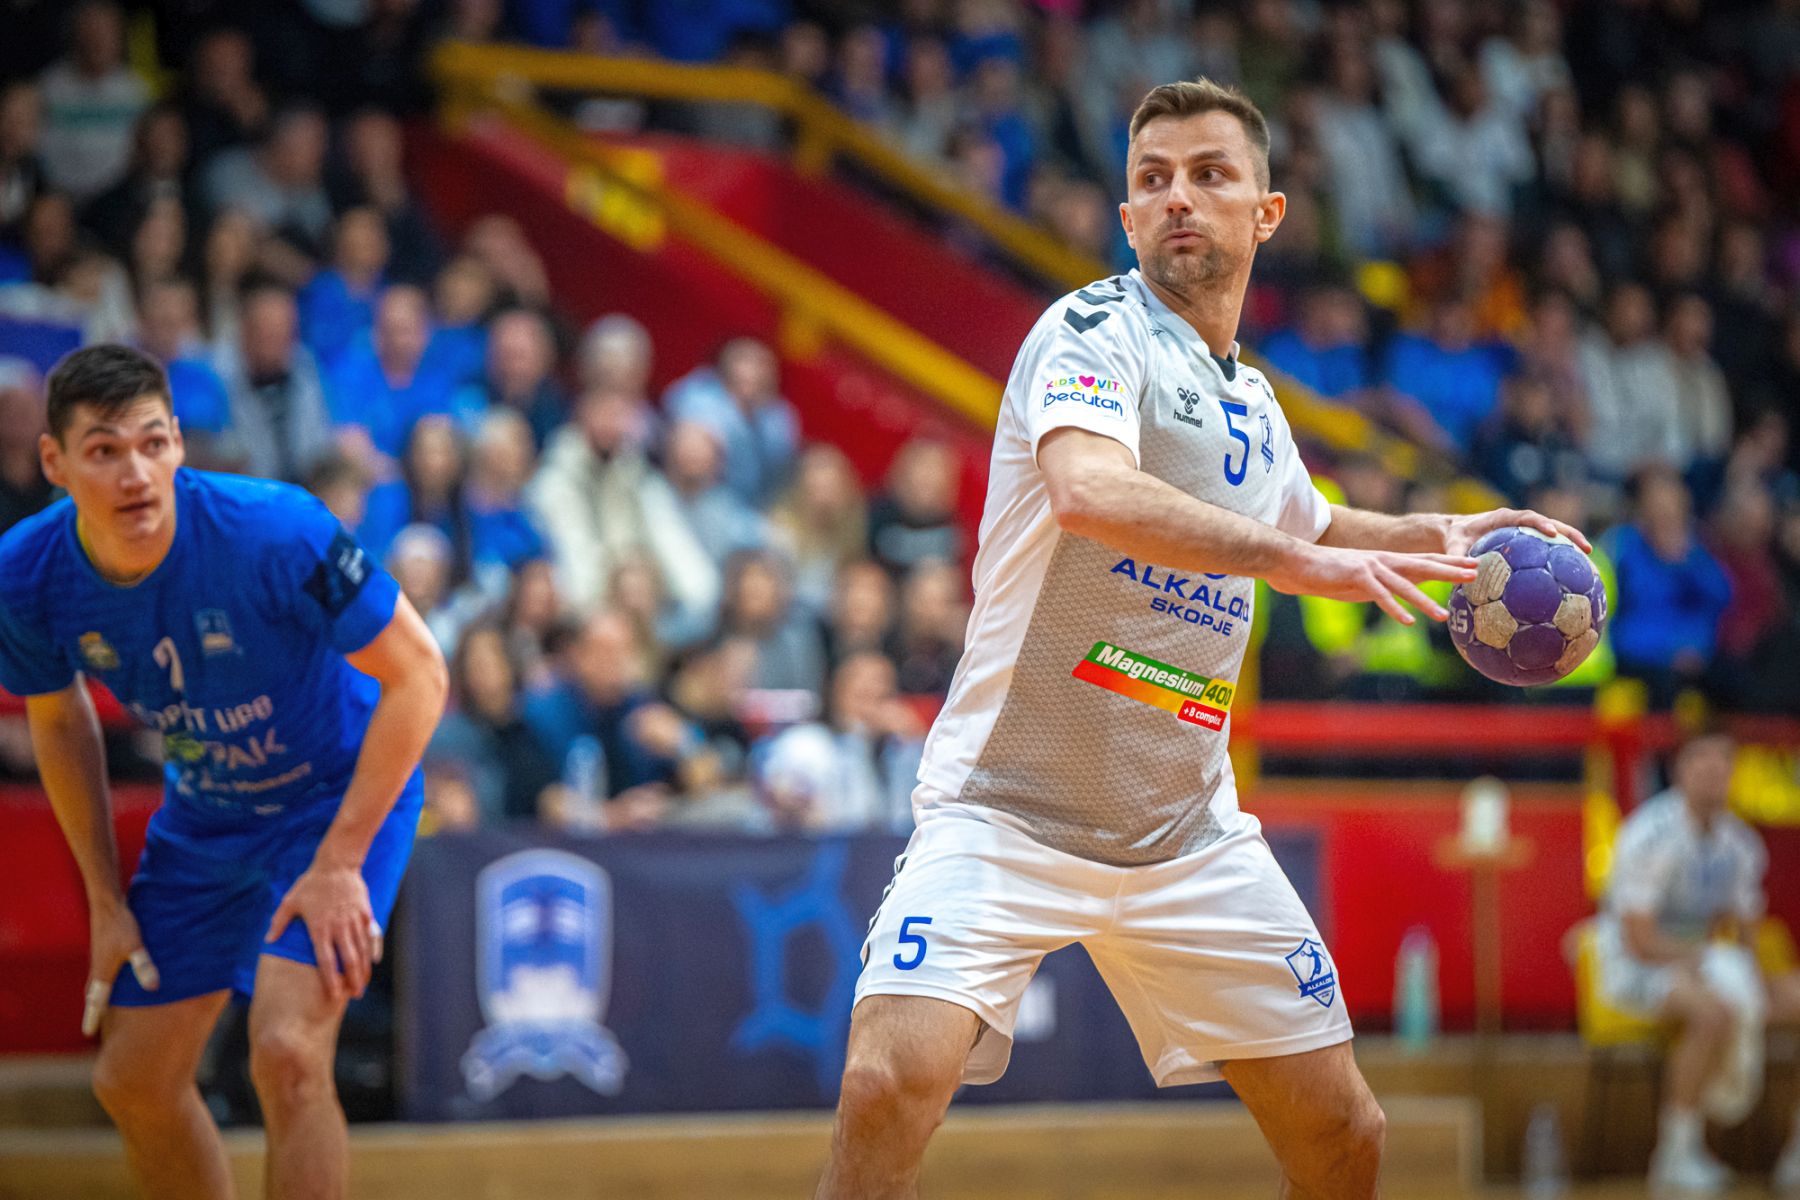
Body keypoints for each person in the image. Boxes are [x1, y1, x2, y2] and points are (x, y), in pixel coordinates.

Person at [817, 78, 1590, 1200]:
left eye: (1209, 174)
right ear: (1128, 217)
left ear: (1266, 213)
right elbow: (1089, 490)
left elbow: (1309, 520)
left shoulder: (1257, 404)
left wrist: (1433, 532)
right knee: (885, 1083)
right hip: (1007, 810)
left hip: (1186, 832)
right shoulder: (1090, 330)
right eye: (1154, 179)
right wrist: (1291, 563)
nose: (1178, 196)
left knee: (1345, 1135)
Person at [0, 345, 446, 1200]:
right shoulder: (26, 573)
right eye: (104, 450)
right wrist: (104, 901)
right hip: (208, 816)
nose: (136, 473)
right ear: (53, 462)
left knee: (286, 1053)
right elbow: (57, 718)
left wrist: (340, 862)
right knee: (131, 1081)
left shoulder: (274, 528)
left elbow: (422, 675)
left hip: (335, 799)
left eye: (153, 443)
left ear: (178, 442)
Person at [1597, 731, 1800, 1195]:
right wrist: (1707, 959)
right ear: (1679, 770)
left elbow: (1746, 931)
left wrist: (1757, 979)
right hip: (1635, 966)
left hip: (1702, 962)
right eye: (1700, 759)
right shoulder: (1649, 834)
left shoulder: (1741, 843)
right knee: (1713, 1012)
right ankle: (1675, 1152)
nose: (1712, 770)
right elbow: (1639, 940)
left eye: (1722, 760)